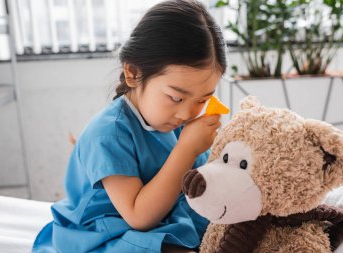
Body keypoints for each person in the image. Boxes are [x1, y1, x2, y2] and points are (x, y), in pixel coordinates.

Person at [32, 0, 227, 252]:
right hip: (108, 229)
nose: (187, 112)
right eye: (176, 97)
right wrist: (186, 149)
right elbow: (139, 217)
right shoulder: (107, 134)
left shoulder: (179, 120)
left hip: (166, 216)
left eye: (202, 99)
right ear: (133, 73)